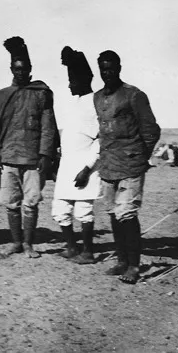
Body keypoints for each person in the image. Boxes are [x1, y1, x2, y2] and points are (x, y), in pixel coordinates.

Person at [0, 36, 59, 259]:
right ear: (11, 69)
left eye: (24, 69)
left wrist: (45, 154)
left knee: (30, 202)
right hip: (8, 158)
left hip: (32, 159)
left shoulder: (42, 93)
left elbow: (48, 127)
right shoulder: (3, 95)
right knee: (10, 203)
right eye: (16, 69)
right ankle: (16, 242)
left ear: (30, 69)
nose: (20, 73)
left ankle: (29, 244)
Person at [93, 50, 160, 284]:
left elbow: (151, 131)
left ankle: (133, 265)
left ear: (119, 68)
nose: (107, 73)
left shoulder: (134, 95)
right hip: (108, 165)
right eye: (103, 68)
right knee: (113, 212)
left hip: (131, 164)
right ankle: (121, 260)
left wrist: (141, 159)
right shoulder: (98, 97)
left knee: (127, 214)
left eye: (111, 68)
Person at [52, 46, 100, 264]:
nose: (70, 84)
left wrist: (88, 168)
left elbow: (101, 141)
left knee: (83, 211)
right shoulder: (73, 104)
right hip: (67, 165)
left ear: (84, 79)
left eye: (73, 79)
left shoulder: (95, 104)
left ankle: (88, 252)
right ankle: (72, 247)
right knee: (60, 210)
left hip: (85, 168)